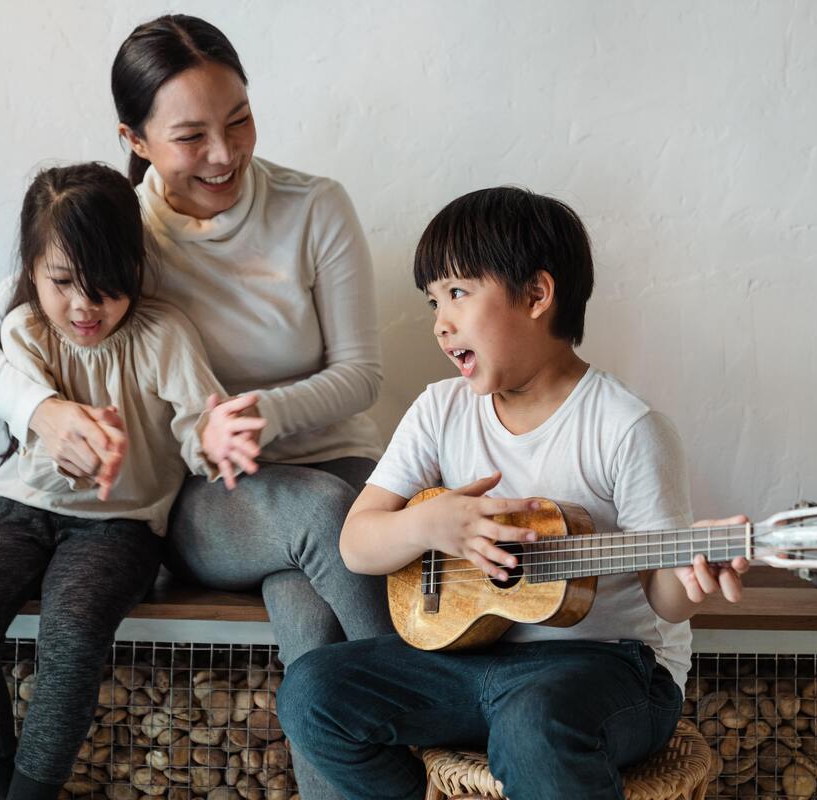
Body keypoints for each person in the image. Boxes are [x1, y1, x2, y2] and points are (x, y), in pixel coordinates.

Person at [0, 16, 393, 797]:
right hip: (216, 498)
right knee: (319, 513)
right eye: (190, 136)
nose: (224, 153)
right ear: (136, 139)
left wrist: (253, 416)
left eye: (239, 118)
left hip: (338, 467)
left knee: (309, 625)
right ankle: (434, 705)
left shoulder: (315, 207)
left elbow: (361, 374)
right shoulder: (113, 232)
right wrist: (43, 411)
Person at [276, 187, 751, 799]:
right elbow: (356, 545)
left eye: (457, 293)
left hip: (609, 670)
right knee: (314, 691)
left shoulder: (626, 427)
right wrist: (432, 525)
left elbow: (665, 599)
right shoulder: (439, 410)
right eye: (433, 301)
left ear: (536, 294)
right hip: (471, 663)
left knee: (533, 724)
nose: (440, 323)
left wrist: (692, 577)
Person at [0, 162, 242, 800]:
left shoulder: (165, 335)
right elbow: (37, 447)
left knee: (71, 634)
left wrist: (214, 442)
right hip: (19, 508)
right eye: (63, 282)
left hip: (119, 526)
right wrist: (66, 446)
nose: (83, 306)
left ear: (134, 267)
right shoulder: (25, 331)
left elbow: (198, 425)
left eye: (104, 285)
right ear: (32, 271)